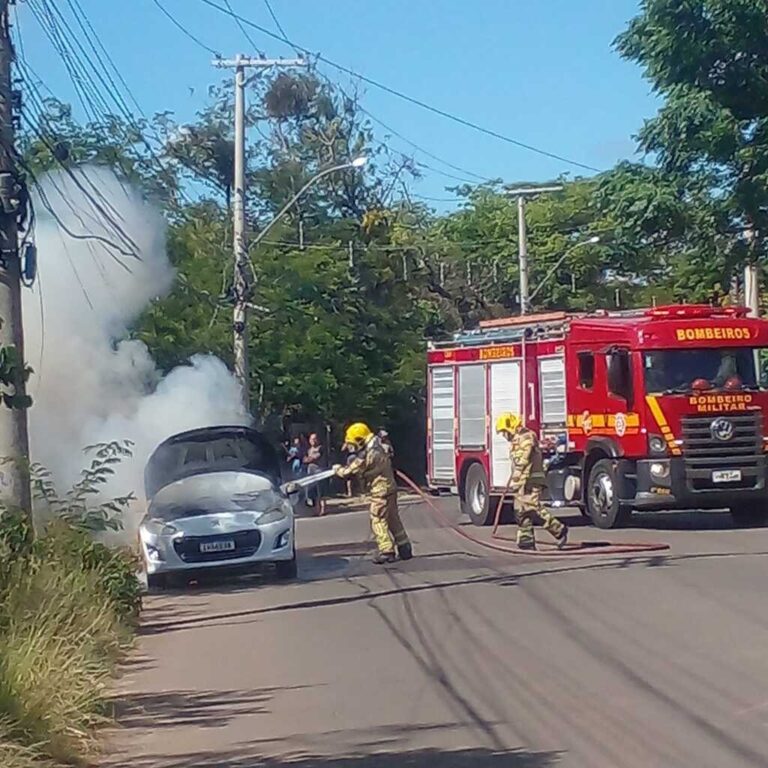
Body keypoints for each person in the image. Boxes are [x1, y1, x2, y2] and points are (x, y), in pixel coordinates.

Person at [333, 422, 412, 564]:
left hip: (379, 491)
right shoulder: (379, 446)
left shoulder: (368, 455)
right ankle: (404, 547)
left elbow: (349, 471)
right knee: (393, 518)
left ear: (360, 440)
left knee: (378, 519)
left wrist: (337, 469)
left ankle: (386, 551)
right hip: (390, 488)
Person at [495, 412, 568, 551]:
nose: (504, 436)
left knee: (533, 508)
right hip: (521, 482)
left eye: (504, 432)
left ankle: (559, 530)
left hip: (532, 480)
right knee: (520, 510)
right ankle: (526, 540)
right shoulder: (516, 440)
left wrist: (516, 477)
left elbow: (524, 460)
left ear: (509, 427)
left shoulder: (527, 437)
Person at [303, 432, 327, 514]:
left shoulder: (320, 448)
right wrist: (308, 459)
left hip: (319, 472)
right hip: (311, 473)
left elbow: (314, 458)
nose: (313, 441)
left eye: (314, 439)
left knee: (321, 492)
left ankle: (323, 509)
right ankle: (315, 510)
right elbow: (304, 459)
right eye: (311, 439)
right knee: (313, 492)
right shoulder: (309, 450)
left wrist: (309, 459)